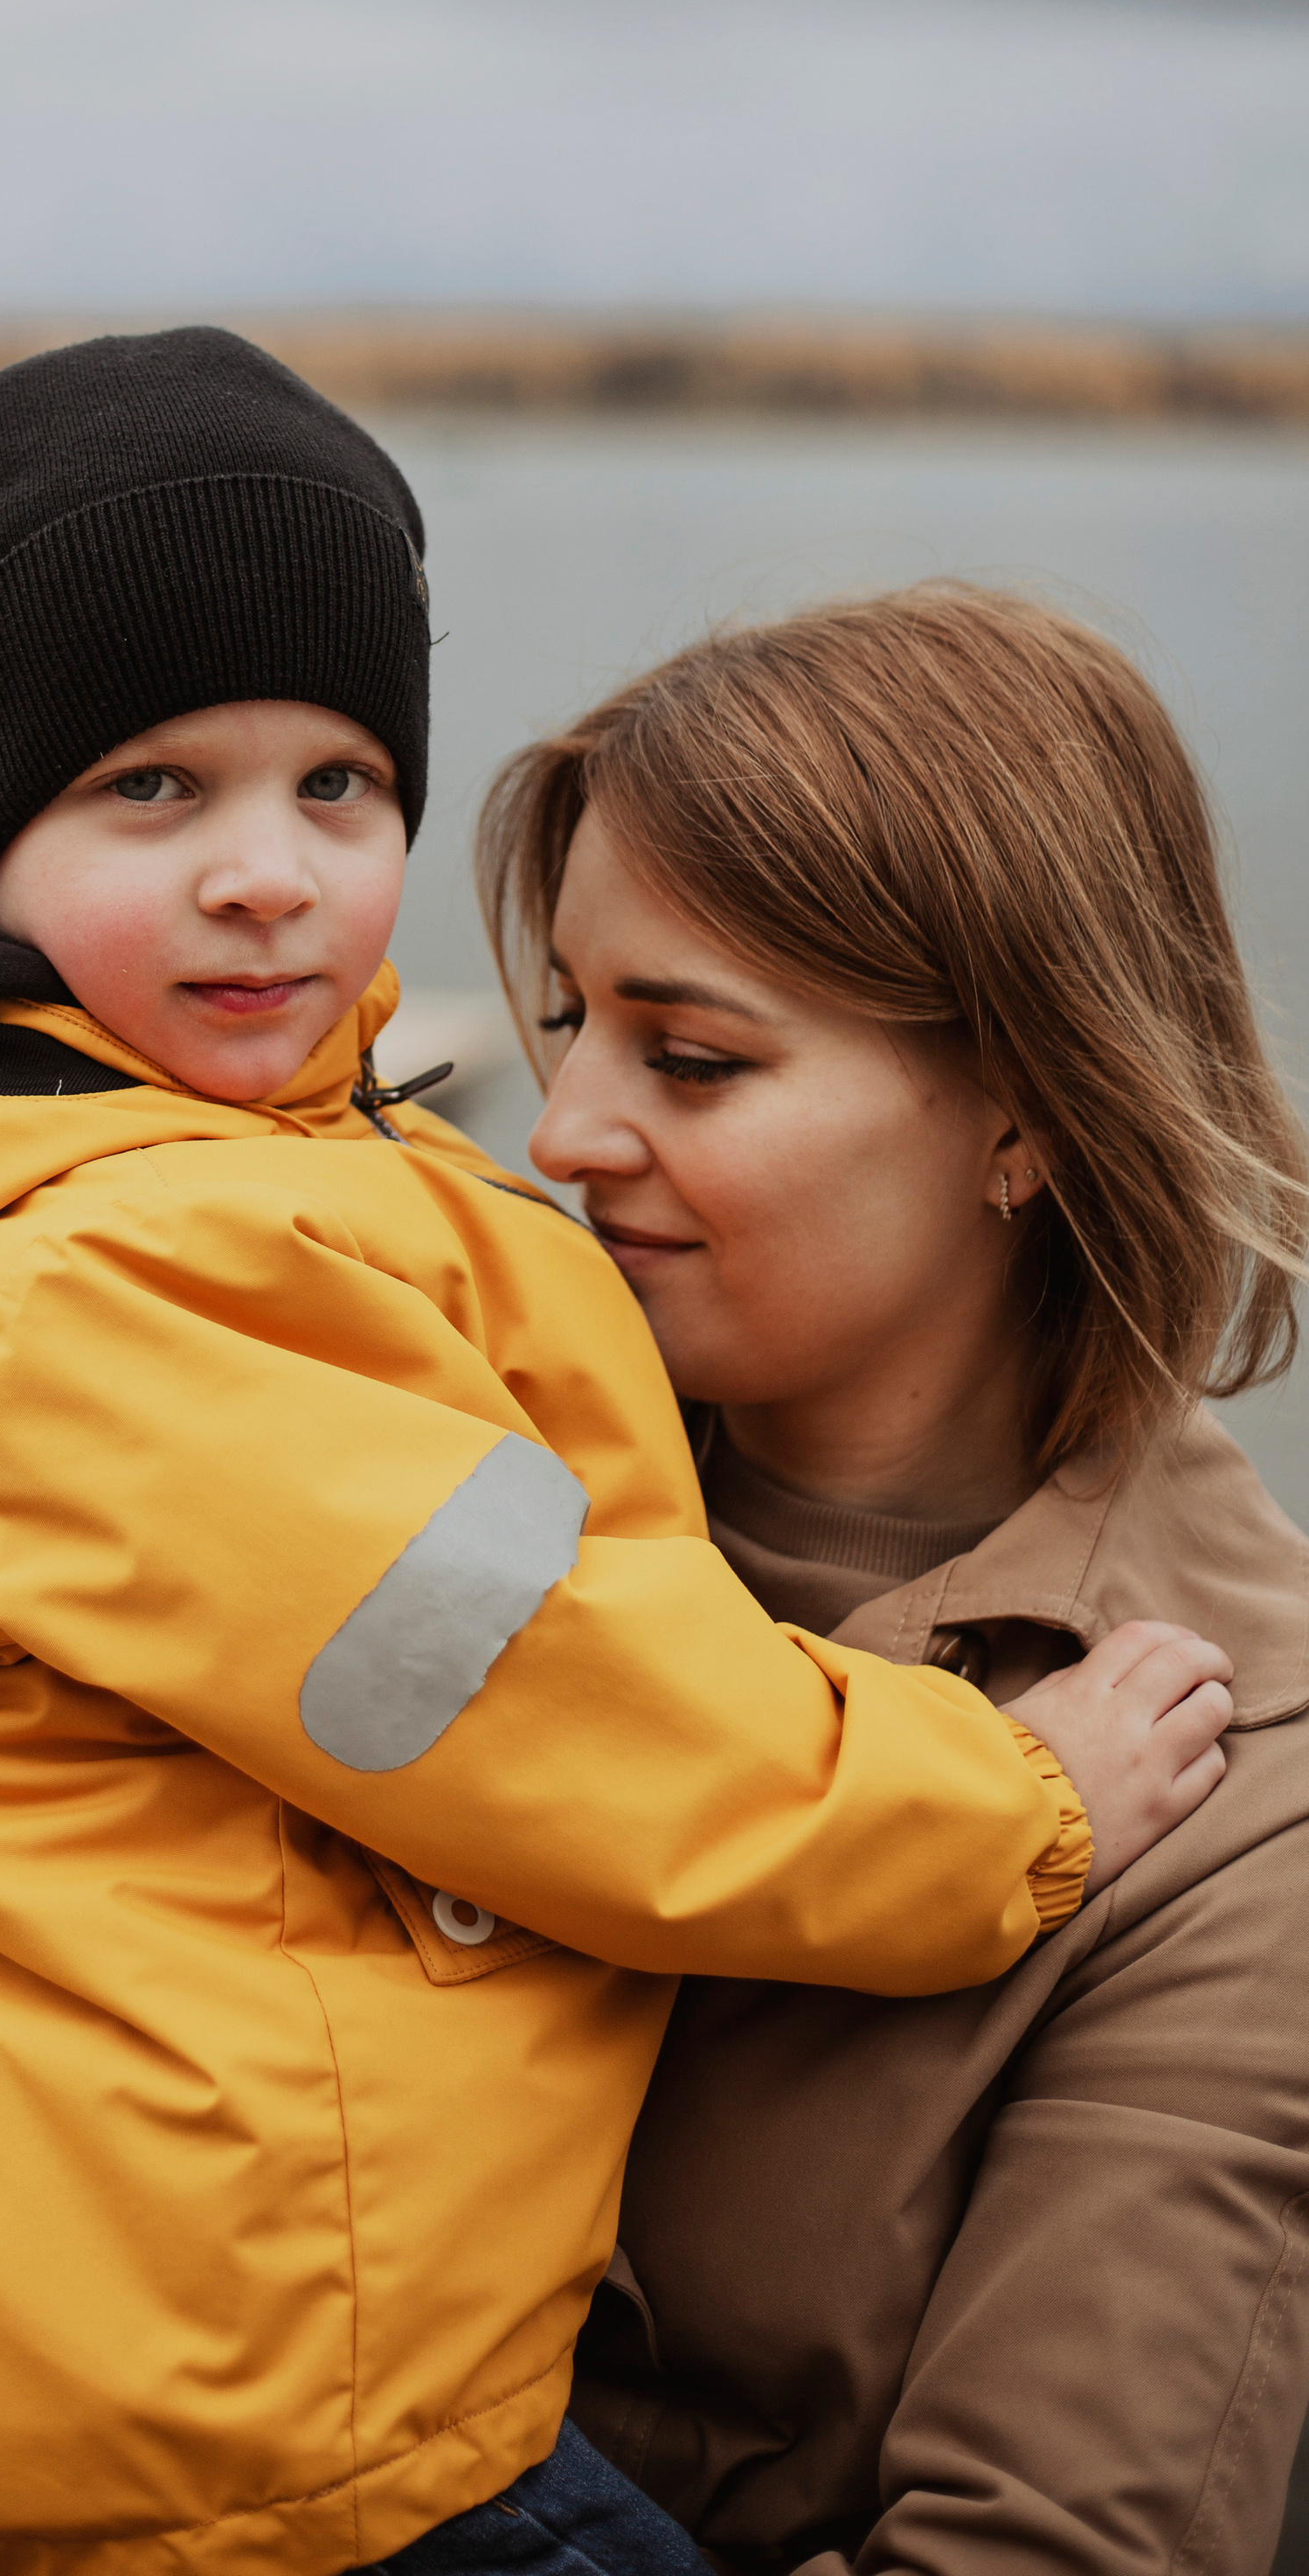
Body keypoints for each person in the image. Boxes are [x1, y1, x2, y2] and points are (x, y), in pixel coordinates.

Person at [0, 336, 1223, 2576]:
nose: (265, 875)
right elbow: (540, 1696)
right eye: (151, 789)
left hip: (62, 2284)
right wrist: (1005, 1807)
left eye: (338, 785)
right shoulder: (128, 1286)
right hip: (267, 2407)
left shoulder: (35, 1163)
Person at [473, 581, 1309, 2576]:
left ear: (1026, 1109)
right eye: (570, 1020)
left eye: (689, 1059)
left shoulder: (1244, 1786)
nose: (561, 1133)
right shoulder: (400, 1478)